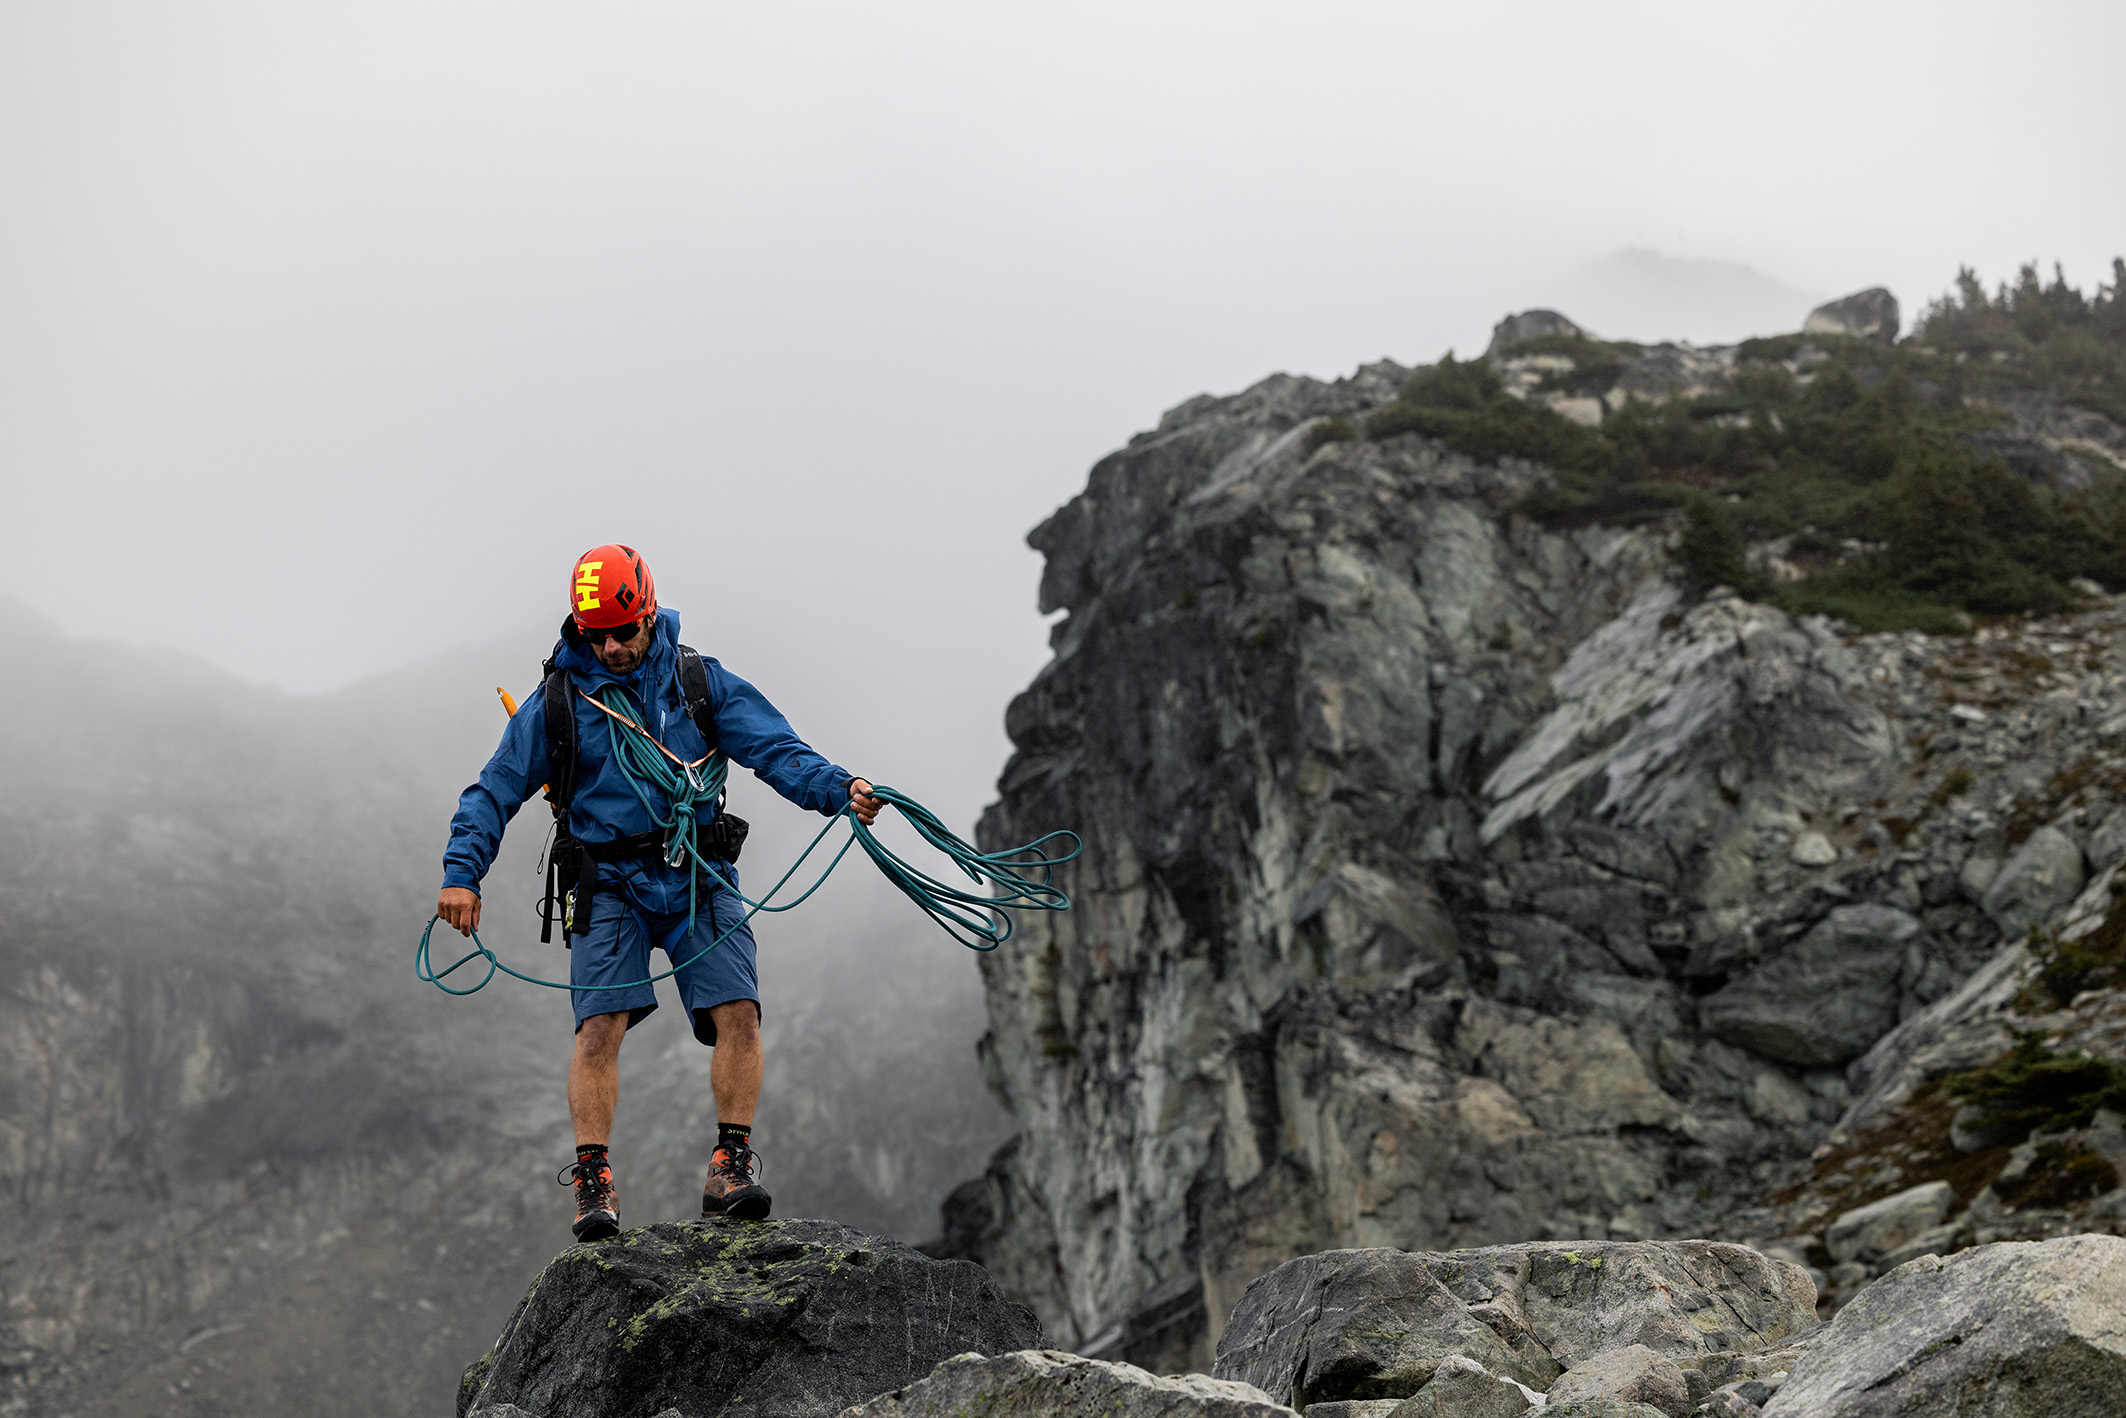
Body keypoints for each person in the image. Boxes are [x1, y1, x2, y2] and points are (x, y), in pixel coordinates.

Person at [435, 544, 880, 1241]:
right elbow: (492, 791)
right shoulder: (559, 702)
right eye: (595, 634)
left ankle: (730, 1165)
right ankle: (593, 1182)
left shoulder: (699, 683)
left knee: (738, 1009)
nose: (610, 646)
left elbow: (775, 749)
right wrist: (462, 873)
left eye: (623, 631)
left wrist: (840, 789)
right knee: (598, 1028)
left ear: (647, 614)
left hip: (698, 868)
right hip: (605, 880)